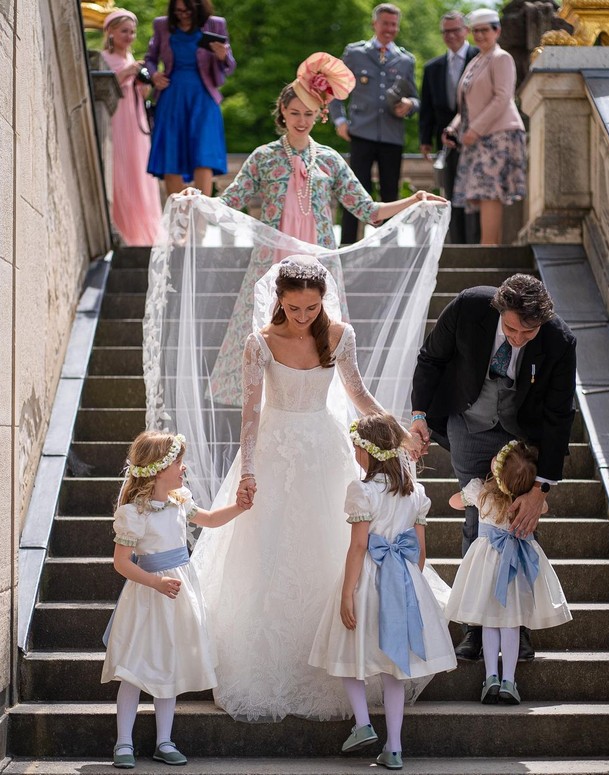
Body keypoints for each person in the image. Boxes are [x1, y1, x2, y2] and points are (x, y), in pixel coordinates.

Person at [190, 255, 425, 722]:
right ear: (279, 300)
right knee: (267, 551)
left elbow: (358, 396)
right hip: (274, 449)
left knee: (331, 544)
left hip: (324, 444)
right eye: (295, 308)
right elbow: (251, 413)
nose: (303, 317)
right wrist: (250, 470)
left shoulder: (340, 335)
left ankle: (344, 655)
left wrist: (398, 435)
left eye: (312, 308)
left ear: (323, 301)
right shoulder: (259, 343)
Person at [206, 51, 443, 406]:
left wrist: (413, 201)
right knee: (265, 338)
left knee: (319, 338)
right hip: (272, 262)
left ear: (320, 116)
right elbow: (232, 200)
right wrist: (199, 200)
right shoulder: (263, 157)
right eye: (295, 113)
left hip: (318, 264)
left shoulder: (331, 160)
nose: (301, 121)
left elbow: (368, 210)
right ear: (282, 113)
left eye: (309, 114)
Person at [410, 273, 577, 661]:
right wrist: (419, 413)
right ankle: (475, 625)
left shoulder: (558, 340)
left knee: (517, 526)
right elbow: (431, 358)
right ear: (499, 310)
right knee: (479, 523)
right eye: (513, 329)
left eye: (528, 333)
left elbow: (559, 415)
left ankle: (517, 627)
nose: (518, 339)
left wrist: (540, 489)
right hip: (469, 423)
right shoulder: (469, 306)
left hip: (523, 433)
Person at [309, 413, 456, 771]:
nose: (355, 453)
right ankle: (394, 747)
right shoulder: (414, 493)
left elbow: (358, 546)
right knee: (395, 669)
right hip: (403, 577)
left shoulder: (362, 491)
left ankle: (362, 723)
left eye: (358, 447)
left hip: (367, 579)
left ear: (368, 452)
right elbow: (420, 554)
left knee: (345, 650)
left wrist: (347, 592)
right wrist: (410, 584)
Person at [101, 430, 249, 768]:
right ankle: (123, 742)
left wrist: (239, 508)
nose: (185, 468)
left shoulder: (180, 500)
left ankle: (164, 740)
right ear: (159, 468)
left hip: (178, 594)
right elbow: (121, 562)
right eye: (179, 462)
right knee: (134, 669)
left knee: (168, 666)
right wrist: (155, 582)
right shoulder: (134, 512)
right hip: (147, 596)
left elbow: (209, 520)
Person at [445, 440, 572, 704]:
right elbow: (544, 508)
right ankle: (509, 681)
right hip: (516, 572)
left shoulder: (481, 492)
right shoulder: (527, 504)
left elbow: (454, 501)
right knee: (511, 626)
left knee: (490, 623)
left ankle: (491, 676)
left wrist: (472, 492)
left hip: (486, 568)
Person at [330, 3, 419, 245]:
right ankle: (347, 245)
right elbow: (335, 88)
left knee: (391, 192)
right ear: (375, 24)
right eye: (385, 23)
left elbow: (415, 97)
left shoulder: (405, 60)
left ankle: (388, 249)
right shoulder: (355, 53)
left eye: (393, 25)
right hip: (360, 132)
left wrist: (409, 104)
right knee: (353, 192)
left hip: (392, 135)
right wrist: (339, 120)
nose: (389, 29)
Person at [442, 8, 526, 245]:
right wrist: (453, 129)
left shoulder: (502, 58)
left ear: (497, 30)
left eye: (485, 30)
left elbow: (502, 97)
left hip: (499, 134)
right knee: (482, 194)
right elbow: (465, 108)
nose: (479, 35)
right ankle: (489, 249)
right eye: (475, 31)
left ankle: (488, 250)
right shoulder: (476, 60)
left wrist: (475, 129)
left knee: (489, 194)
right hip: (479, 137)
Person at [145, 0, 236, 196]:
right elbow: (150, 58)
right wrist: (154, 75)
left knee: (204, 154)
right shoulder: (162, 25)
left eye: (187, 10)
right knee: (171, 152)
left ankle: (200, 217)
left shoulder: (215, 24)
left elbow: (230, 65)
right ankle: (178, 219)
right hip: (172, 95)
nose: (183, 15)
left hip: (204, 96)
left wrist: (223, 56)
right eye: (178, 11)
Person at [101, 9, 162, 245]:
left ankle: (143, 232)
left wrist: (142, 85)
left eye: (132, 32)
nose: (129, 36)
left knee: (140, 173)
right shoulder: (104, 59)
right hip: (117, 122)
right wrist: (128, 72)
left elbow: (140, 94)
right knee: (120, 169)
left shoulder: (132, 60)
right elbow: (103, 86)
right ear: (111, 32)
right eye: (124, 31)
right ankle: (122, 229)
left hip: (136, 125)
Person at [419, 11, 479, 245]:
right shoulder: (432, 67)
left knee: (475, 194)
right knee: (452, 193)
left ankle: (476, 244)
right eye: (446, 31)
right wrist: (425, 139)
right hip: (447, 142)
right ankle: (457, 243)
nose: (451, 35)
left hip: (477, 138)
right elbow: (427, 107)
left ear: (465, 31)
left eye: (456, 30)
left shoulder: (479, 58)